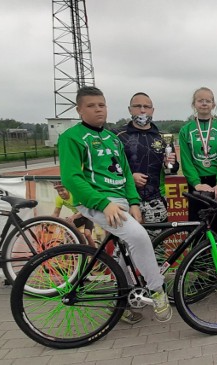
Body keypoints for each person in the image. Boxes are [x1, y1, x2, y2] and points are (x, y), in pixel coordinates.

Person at [58, 86, 172, 324]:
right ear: (79, 110)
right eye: (91, 106)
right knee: (140, 237)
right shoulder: (71, 138)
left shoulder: (111, 138)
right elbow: (71, 178)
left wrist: (133, 203)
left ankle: (118, 303)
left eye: (101, 104)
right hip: (98, 202)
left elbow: (127, 175)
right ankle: (157, 290)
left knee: (125, 253)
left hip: (121, 201)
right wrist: (104, 204)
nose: (98, 109)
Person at [112, 92, 179, 235]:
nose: (142, 110)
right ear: (130, 109)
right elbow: (109, 168)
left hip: (155, 200)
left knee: (157, 248)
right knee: (124, 247)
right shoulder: (116, 136)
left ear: (152, 110)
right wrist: (130, 177)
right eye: (137, 106)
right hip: (124, 199)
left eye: (146, 107)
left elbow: (172, 170)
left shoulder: (163, 137)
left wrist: (169, 164)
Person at [178, 87, 217, 234]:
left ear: (213, 104)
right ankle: (198, 257)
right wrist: (196, 184)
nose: (204, 103)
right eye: (200, 100)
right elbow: (186, 160)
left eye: (208, 100)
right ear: (194, 104)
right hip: (197, 184)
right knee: (197, 226)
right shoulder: (185, 130)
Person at [51, 183, 96, 247]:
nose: (60, 193)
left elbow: (84, 210)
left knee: (87, 234)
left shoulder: (75, 196)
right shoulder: (59, 199)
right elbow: (56, 213)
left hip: (87, 215)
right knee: (69, 231)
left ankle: (94, 253)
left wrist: (73, 217)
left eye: (62, 190)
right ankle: (78, 245)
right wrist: (48, 222)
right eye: (58, 191)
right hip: (77, 216)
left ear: (68, 190)